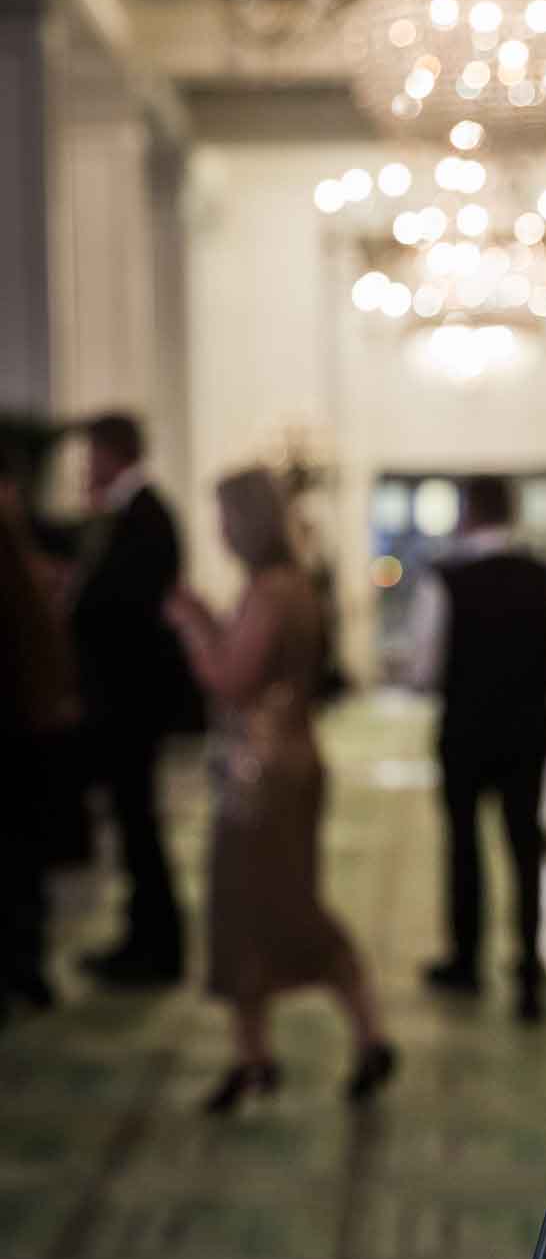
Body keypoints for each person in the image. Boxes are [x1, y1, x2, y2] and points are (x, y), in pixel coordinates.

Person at [167, 467, 396, 1113]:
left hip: (263, 774)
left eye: (224, 518)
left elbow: (232, 678)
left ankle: (361, 1034)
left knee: (278, 907)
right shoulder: (290, 586)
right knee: (248, 907)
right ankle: (255, 1055)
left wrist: (192, 625)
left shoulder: (272, 591)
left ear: (246, 521)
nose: (219, 532)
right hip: (283, 762)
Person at [409, 475, 546, 1021]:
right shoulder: (544, 576)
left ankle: (465, 963)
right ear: (510, 512)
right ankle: (528, 974)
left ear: (466, 514)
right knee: (524, 846)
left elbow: (422, 670)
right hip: (526, 733)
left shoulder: (444, 580)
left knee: (463, 846)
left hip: (464, 732)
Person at [73, 413, 188, 988]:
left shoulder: (143, 514)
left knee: (138, 821)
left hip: (129, 698)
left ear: (110, 452)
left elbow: (119, 607)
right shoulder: (133, 512)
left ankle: (155, 946)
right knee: (133, 821)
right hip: (126, 696)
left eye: (90, 452)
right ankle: (144, 937)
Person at [0, 448, 78, 1014]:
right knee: (21, 859)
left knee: (17, 857)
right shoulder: (20, 555)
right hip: (25, 727)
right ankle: (25, 967)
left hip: (16, 727)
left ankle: (21, 968)